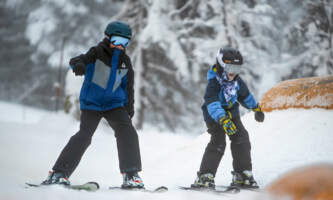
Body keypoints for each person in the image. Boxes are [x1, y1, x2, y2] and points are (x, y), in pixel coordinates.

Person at [41, 21, 144, 189]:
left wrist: (129, 108)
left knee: (128, 132)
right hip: (92, 104)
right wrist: (79, 65)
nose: (120, 46)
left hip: (114, 105)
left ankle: (131, 175)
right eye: (117, 40)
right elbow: (76, 60)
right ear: (109, 38)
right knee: (84, 135)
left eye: (125, 42)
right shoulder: (97, 53)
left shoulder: (125, 61)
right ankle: (58, 173)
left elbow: (128, 88)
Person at [191, 47, 265, 189]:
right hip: (214, 115)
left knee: (241, 137)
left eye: (237, 69)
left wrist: (256, 108)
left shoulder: (237, 82)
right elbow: (212, 103)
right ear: (221, 65)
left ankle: (242, 174)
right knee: (218, 141)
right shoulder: (214, 82)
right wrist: (223, 120)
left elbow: (245, 96)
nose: (232, 72)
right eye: (230, 68)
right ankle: (205, 176)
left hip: (232, 113)